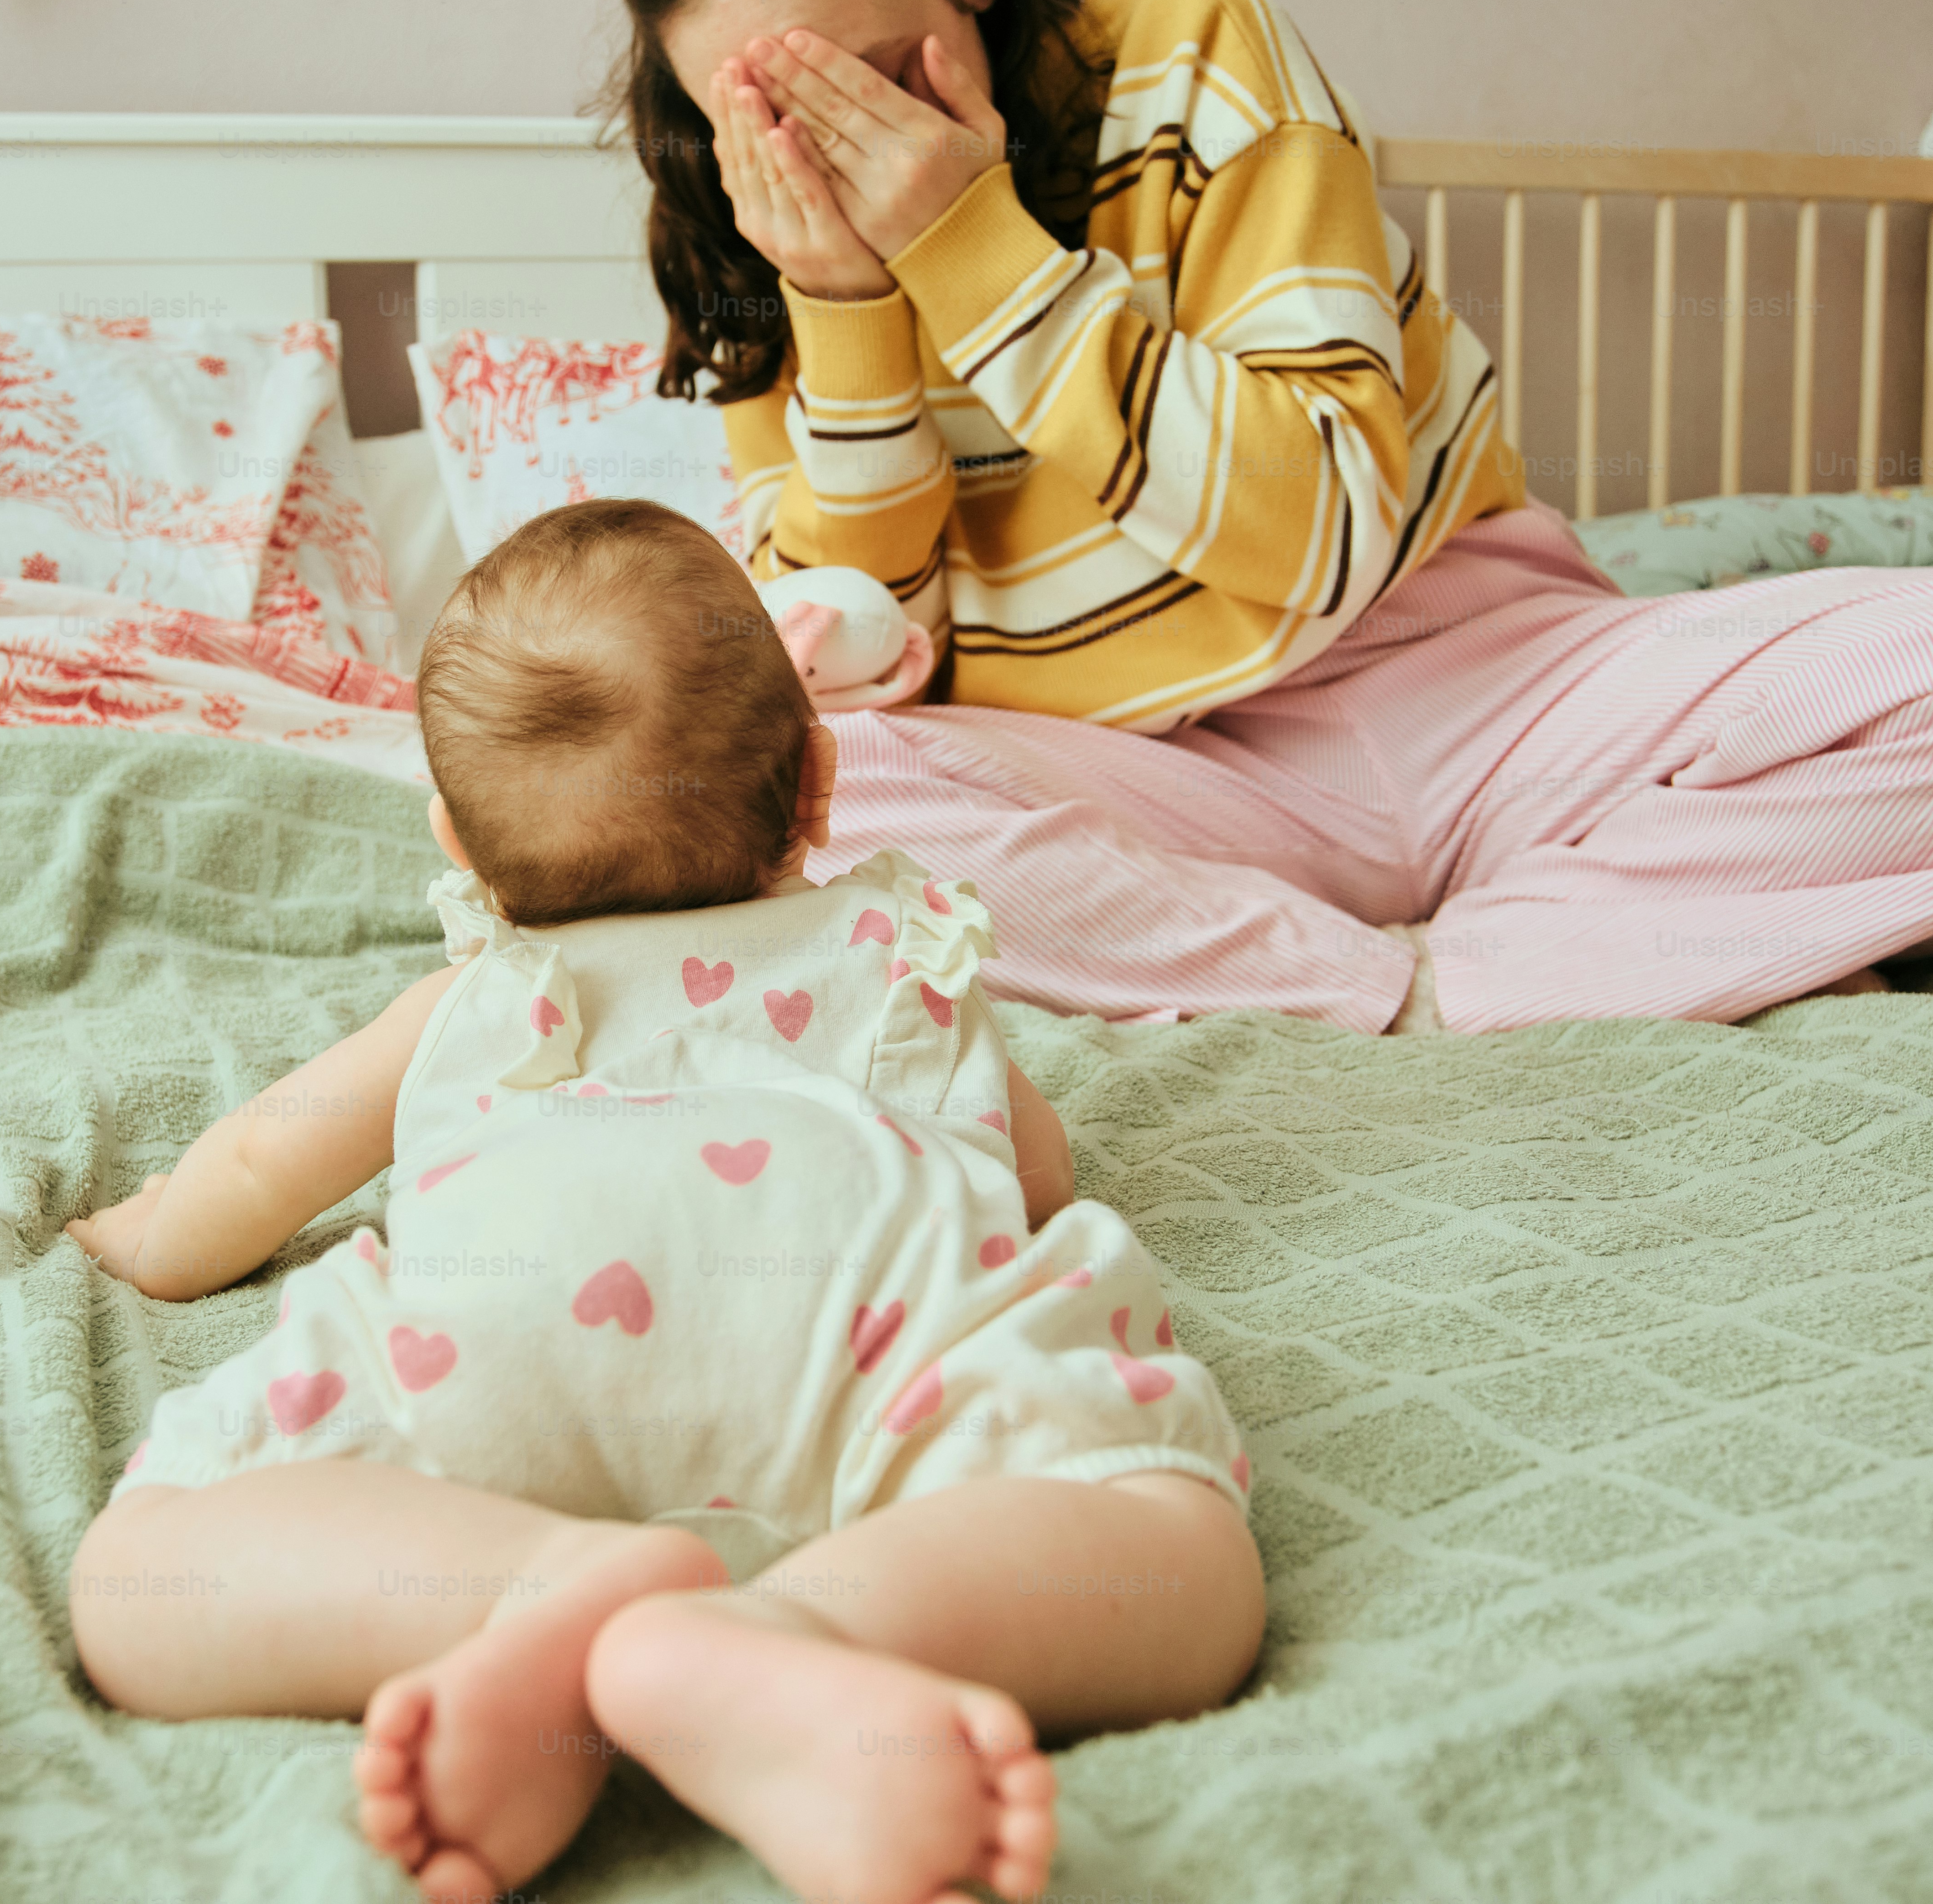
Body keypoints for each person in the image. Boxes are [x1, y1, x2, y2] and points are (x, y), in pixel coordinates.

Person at [607, 0, 1933, 1035]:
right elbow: (891, 665)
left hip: (1489, 685)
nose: (838, 146)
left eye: (877, 74)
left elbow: (1318, 539)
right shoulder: (758, 244)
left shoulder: (1194, 51)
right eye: (763, 112)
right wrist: (847, 307)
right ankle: (1405, 980)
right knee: (753, 795)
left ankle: (1494, 957)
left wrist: (979, 254)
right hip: (1161, 793)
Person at [65, 499, 1264, 1904]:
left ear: (459, 842)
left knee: (137, 1580)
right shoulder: (897, 951)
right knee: (1181, 1553)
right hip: (867, 1343)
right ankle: (797, 1629)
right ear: (818, 781)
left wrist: (150, 1232)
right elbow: (1033, 1173)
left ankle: (547, 1587)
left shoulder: (476, 999)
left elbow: (264, 1165)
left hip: (502, 1365)